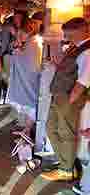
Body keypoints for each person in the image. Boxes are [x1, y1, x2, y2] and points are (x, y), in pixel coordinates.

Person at [41, 18, 90, 182]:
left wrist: (69, 101)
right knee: (50, 128)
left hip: (68, 98)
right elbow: (71, 70)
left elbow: (83, 81)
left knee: (65, 132)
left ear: (78, 31)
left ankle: (66, 170)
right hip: (60, 96)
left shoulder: (87, 51)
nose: (65, 35)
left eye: (67, 32)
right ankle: (65, 163)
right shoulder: (76, 48)